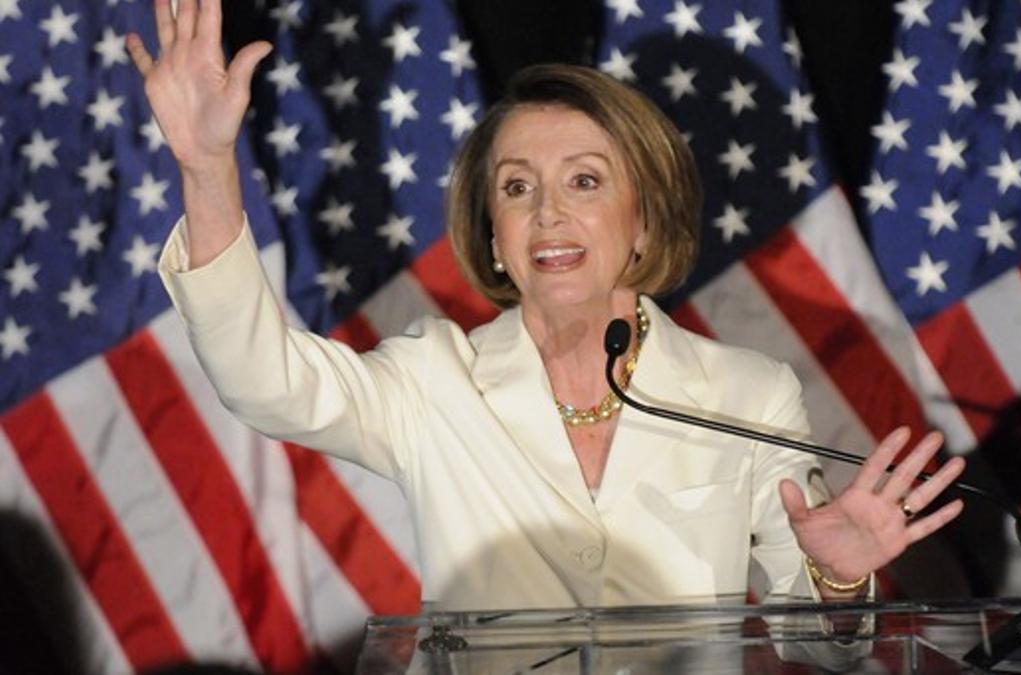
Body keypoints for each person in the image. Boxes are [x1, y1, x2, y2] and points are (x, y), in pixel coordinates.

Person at [127, 0, 965, 613]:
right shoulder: (431, 379)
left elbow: (816, 635)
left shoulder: (747, 394)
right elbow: (259, 378)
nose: (548, 213)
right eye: (518, 187)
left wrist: (839, 575)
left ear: (643, 222)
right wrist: (206, 168)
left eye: (585, 182)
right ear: (494, 238)